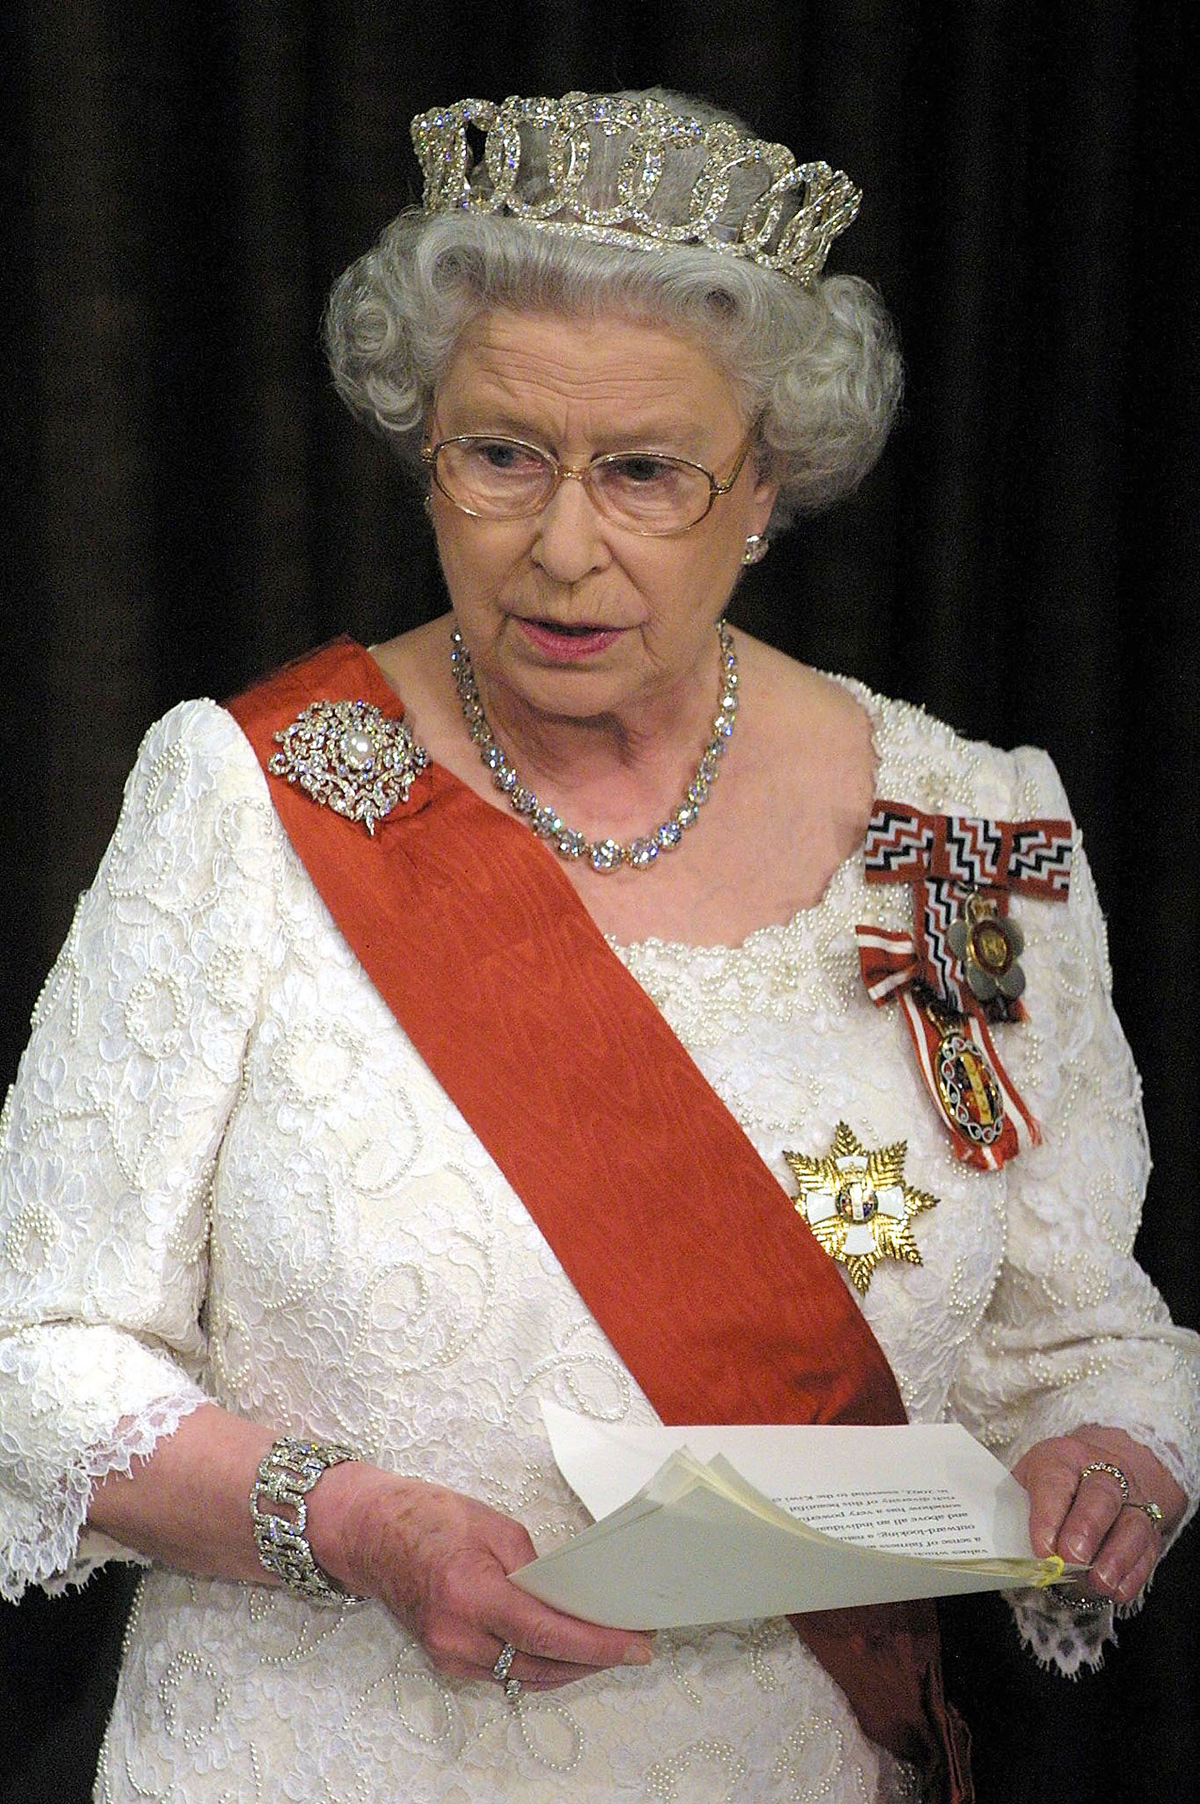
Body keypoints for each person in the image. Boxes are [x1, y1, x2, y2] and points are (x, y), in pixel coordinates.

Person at [1, 88, 1196, 1804]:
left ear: (768, 481)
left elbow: (1079, 1331)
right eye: (501, 455)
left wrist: (1108, 1455)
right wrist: (360, 1525)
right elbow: (33, 1351)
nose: (564, 547)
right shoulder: (251, 795)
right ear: (427, 446)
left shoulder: (964, 842)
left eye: (646, 471)